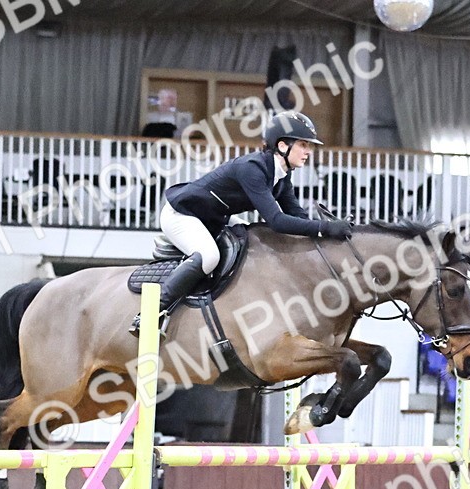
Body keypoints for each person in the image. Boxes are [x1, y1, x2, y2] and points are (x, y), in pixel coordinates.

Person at [129, 111, 353, 336]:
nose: (308, 152)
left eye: (309, 146)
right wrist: (325, 228)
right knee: (209, 257)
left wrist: (329, 234)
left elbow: (298, 217)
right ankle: (149, 314)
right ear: (283, 145)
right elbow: (276, 221)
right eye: (304, 145)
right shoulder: (252, 168)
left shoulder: (281, 176)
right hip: (183, 214)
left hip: (214, 217)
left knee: (250, 243)